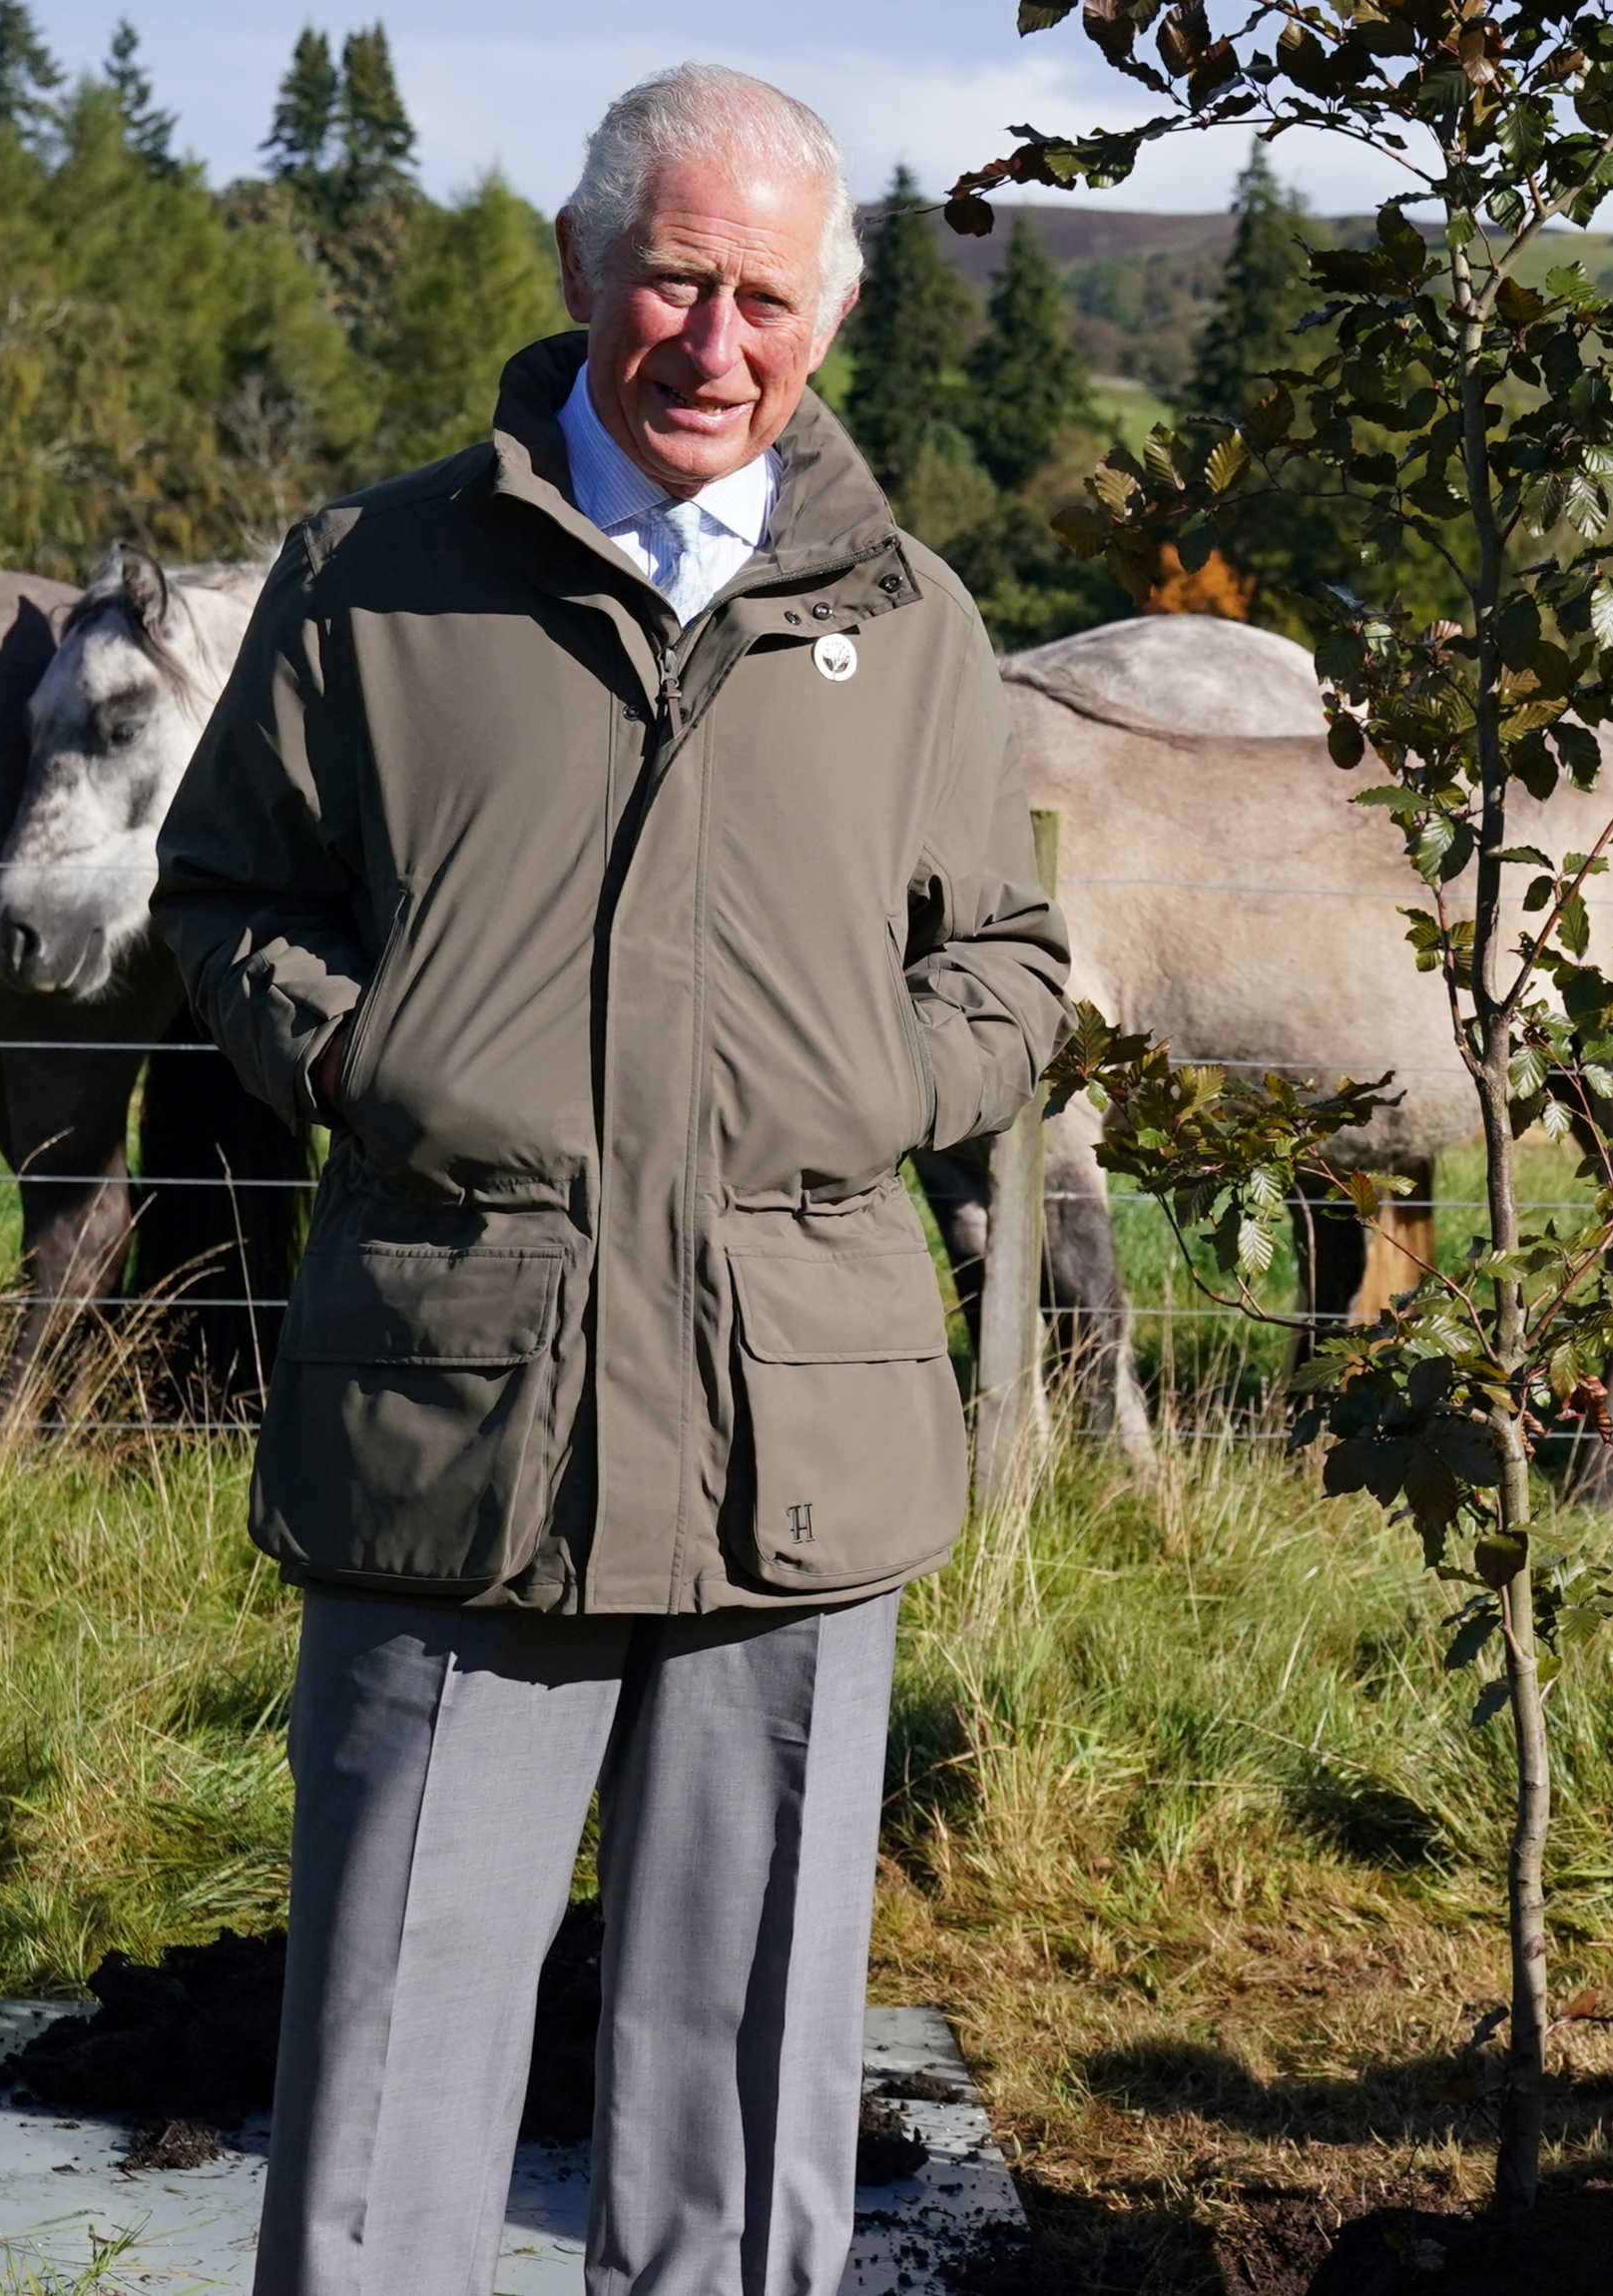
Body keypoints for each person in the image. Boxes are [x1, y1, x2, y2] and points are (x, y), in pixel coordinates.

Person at [152, 63, 1064, 2296]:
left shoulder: (913, 620)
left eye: (764, 295)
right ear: (580, 273)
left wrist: (869, 1084)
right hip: (460, 1408)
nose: (713, 340)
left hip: (800, 1424)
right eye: (674, 276)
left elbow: (1014, 966)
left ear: (826, 323)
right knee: (382, 2069)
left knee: (747, 2081)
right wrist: (371, 1053)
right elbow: (222, 893)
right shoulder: (370, 581)